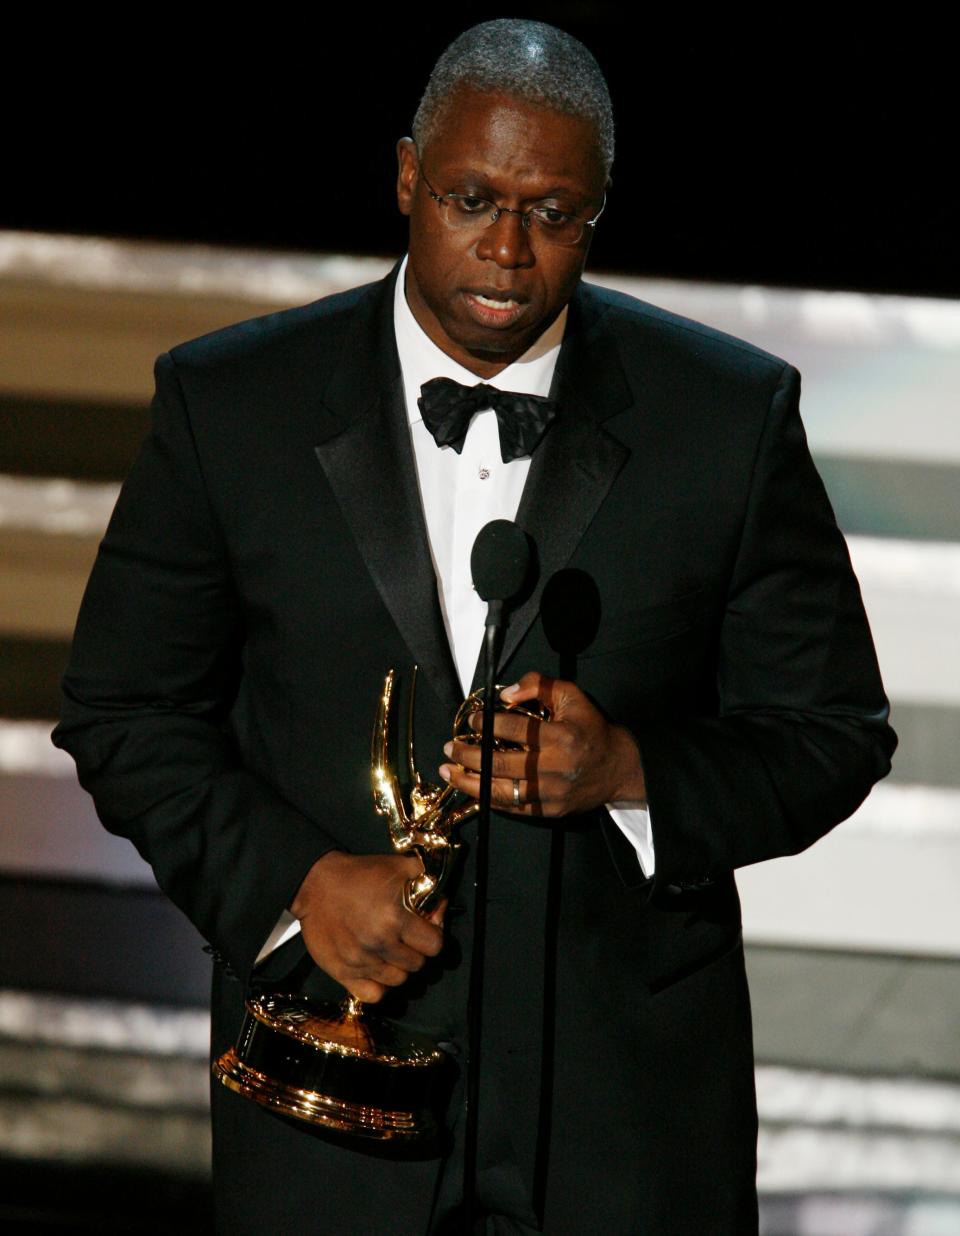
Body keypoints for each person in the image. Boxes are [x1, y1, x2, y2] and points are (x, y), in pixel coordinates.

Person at [53, 18, 896, 1235]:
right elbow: (124, 710)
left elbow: (831, 733)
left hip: (627, 1131)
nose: (508, 249)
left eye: (555, 214)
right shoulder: (232, 405)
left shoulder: (727, 420)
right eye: (472, 199)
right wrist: (296, 884)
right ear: (407, 177)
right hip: (327, 1110)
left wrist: (629, 771)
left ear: (599, 213)